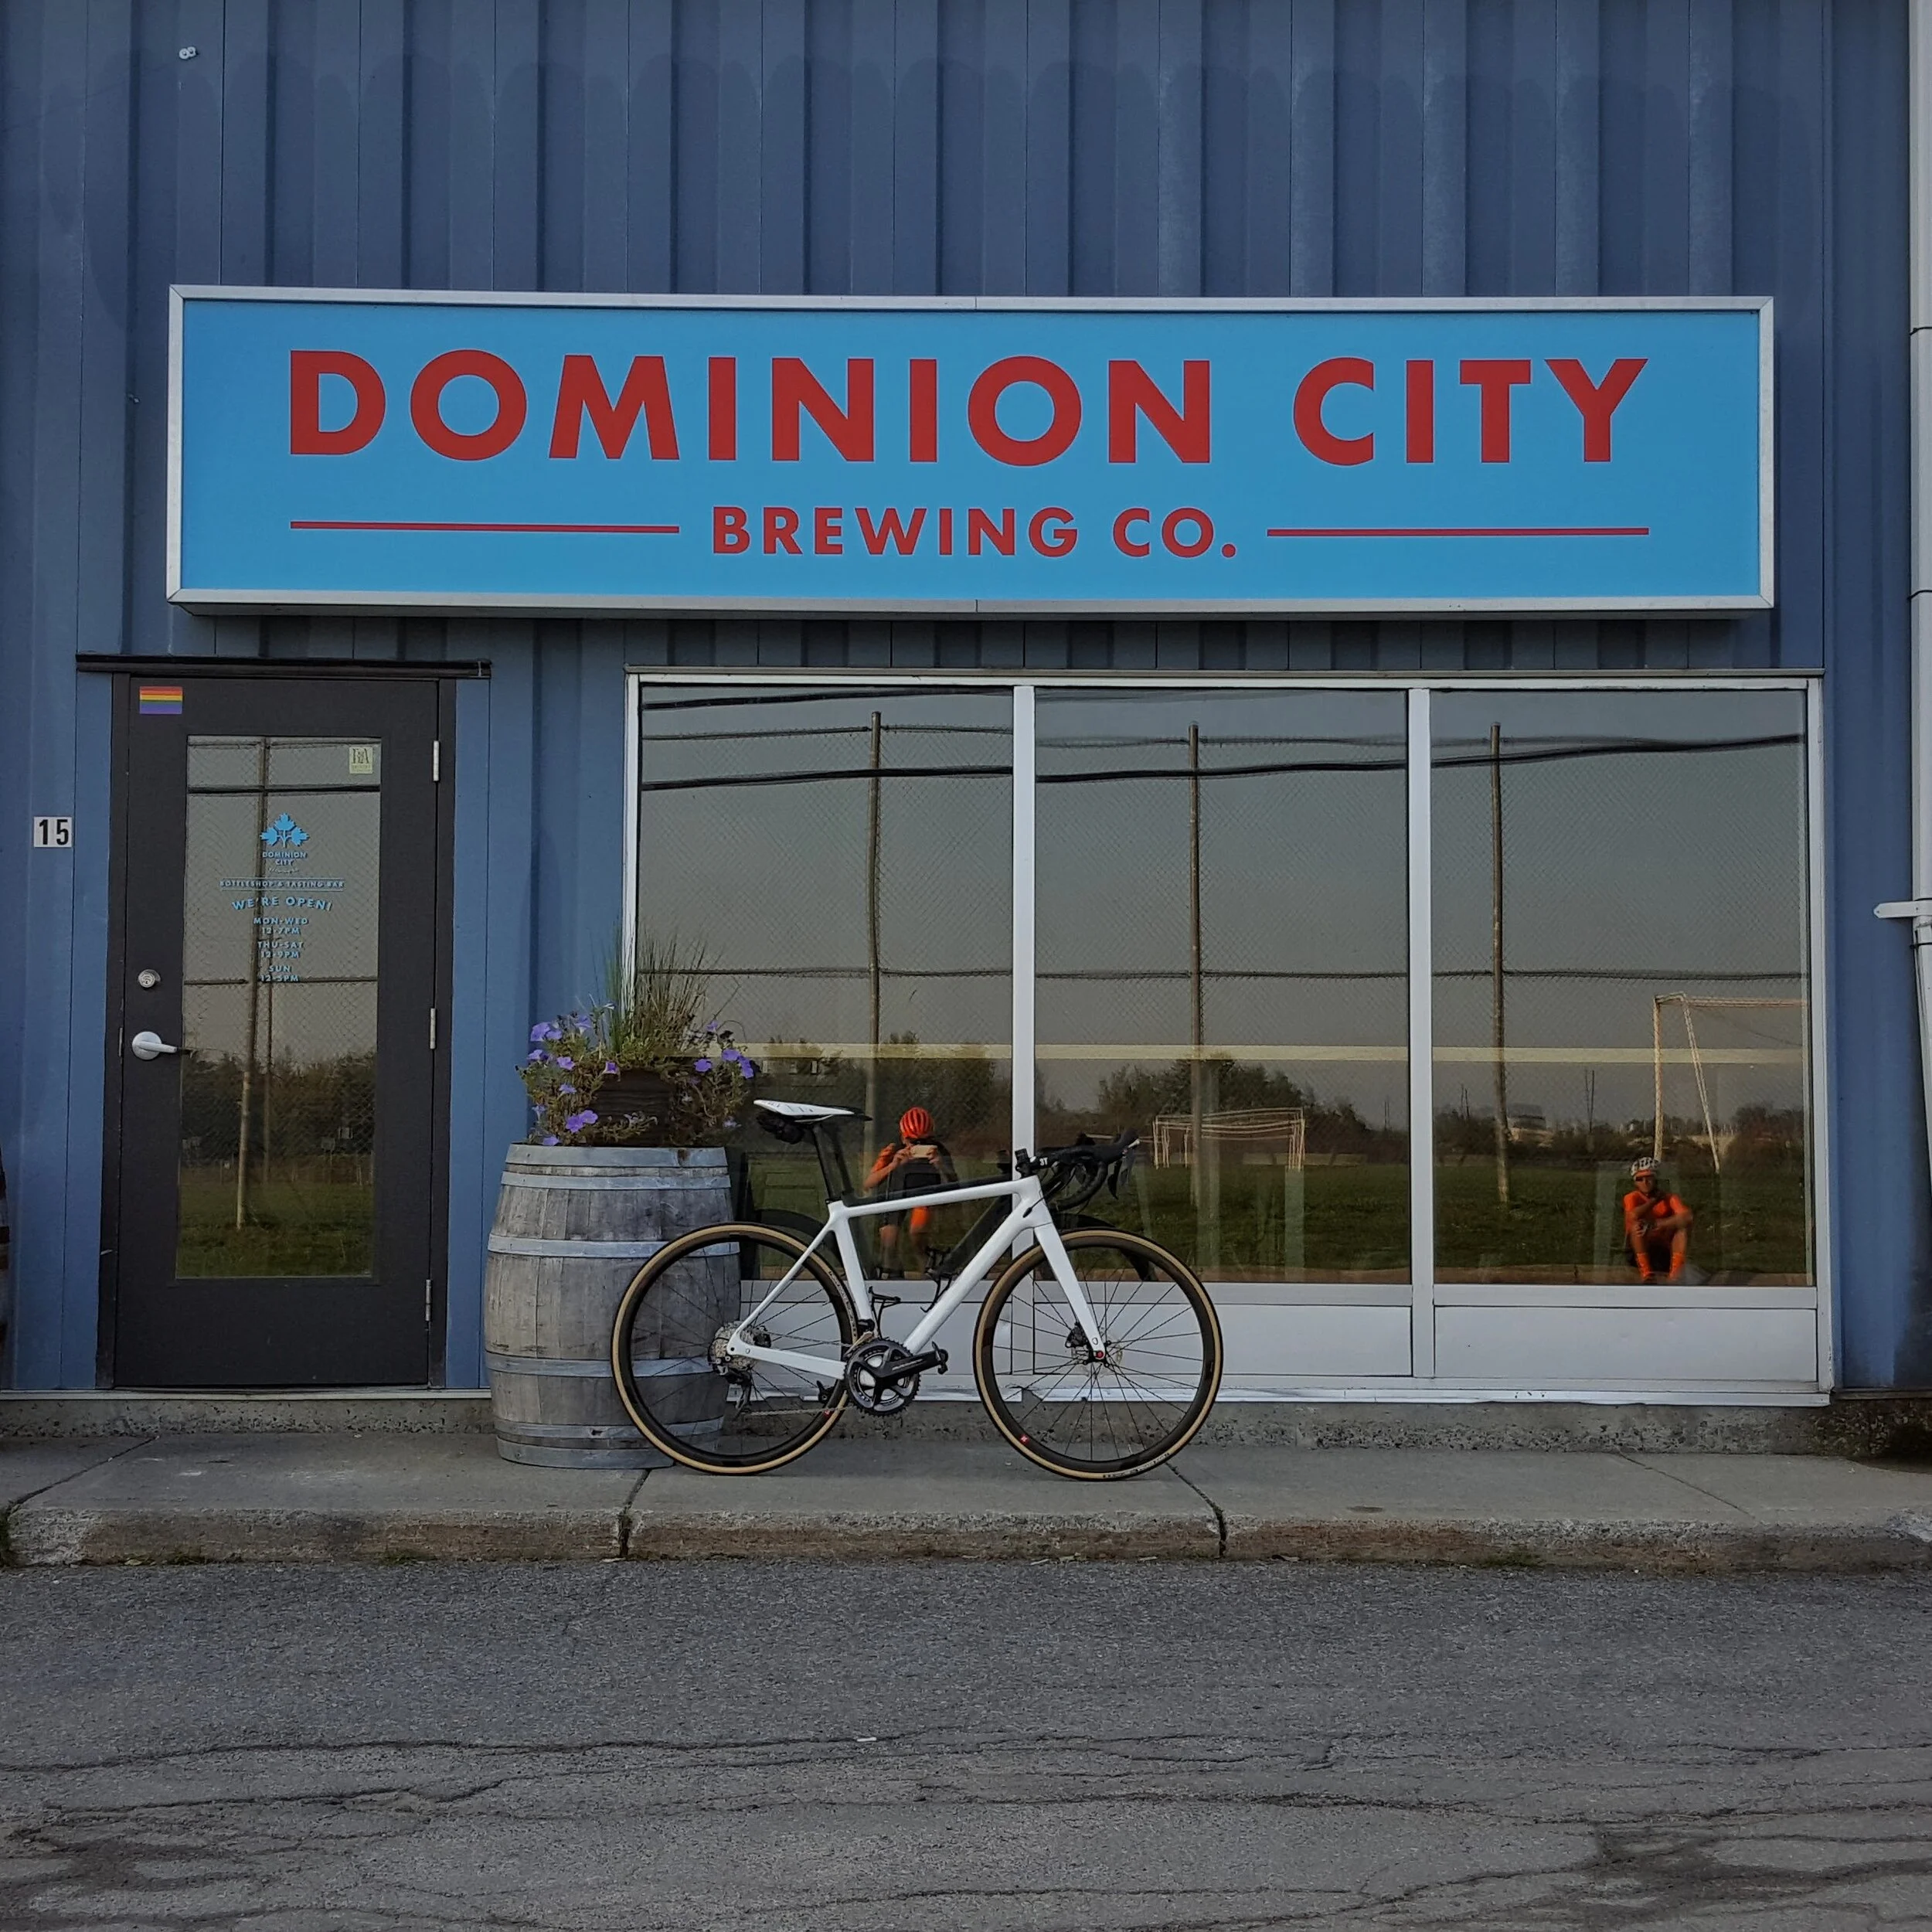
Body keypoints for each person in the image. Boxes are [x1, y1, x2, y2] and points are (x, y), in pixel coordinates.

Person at [866, 1106, 959, 1277]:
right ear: (903, 1137)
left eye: (924, 1142)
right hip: (896, 1194)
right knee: (889, 1239)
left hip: (924, 1193)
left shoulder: (938, 1151)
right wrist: (893, 1166)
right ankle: (893, 1273)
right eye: (912, 1142)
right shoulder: (893, 1150)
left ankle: (926, 1270)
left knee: (918, 1233)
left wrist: (942, 1166)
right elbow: (869, 1183)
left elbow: (955, 1184)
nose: (918, 1146)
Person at [1623, 1157, 1694, 1283]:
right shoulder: (1631, 1197)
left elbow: (1687, 1217)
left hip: (1663, 1249)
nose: (1645, 1182)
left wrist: (1660, 1224)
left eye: (1649, 1178)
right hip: (1638, 1250)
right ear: (1635, 1182)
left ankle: (1675, 1275)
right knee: (1637, 1227)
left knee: (1682, 1230)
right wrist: (1654, 1201)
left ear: (1656, 1179)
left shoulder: (1670, 1198)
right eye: (1640, 1179)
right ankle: (1646, 1273)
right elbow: (1633, 1216)